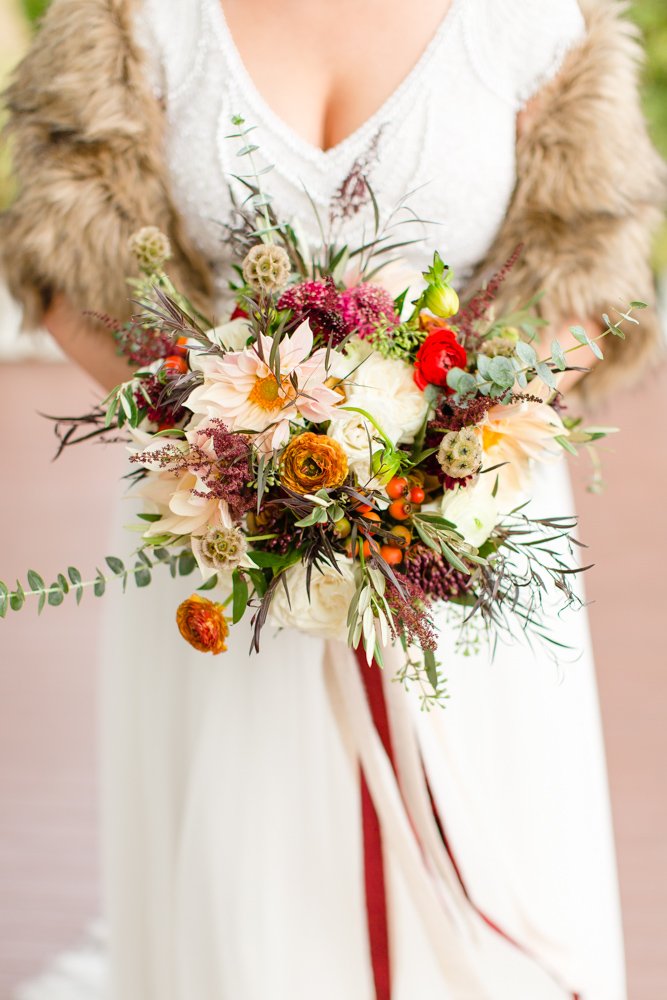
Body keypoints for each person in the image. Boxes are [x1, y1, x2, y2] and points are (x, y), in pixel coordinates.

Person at [1, 1, 664, 998]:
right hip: (215, 527)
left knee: (481, 834)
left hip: (464, 529)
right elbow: (66, 274)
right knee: (246, 858)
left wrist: (450, 457)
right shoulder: (129, 20)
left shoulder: (533, 22)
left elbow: (593, 283)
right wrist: (223, 450)